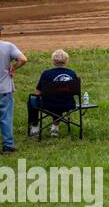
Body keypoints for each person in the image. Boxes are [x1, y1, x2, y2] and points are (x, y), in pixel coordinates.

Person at [26, 49, 79, 137]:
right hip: (68, 104)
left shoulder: (47, 74)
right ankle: (55, 127)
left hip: (48, 105)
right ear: (66, 61)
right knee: (60, 98)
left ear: (53, 61)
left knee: (31, 100)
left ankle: (34, 127)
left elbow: (38, 92)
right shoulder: (72, 73)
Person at [0, 24, 27, 153]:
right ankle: (8, 145)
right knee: (6, 117)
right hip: (4, 88)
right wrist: (13, 68)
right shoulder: (8, 46)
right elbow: (23, 59)